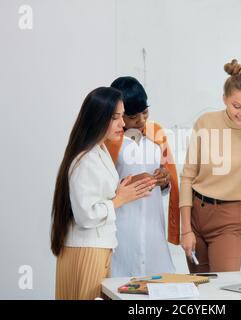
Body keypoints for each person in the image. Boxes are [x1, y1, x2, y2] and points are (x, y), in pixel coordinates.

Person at [51, 87, 156, 299]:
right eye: (115, 117)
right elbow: (86, 215)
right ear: (98, 118)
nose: (123, 123)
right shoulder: (85, 159)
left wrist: (119, 190)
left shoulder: (99, 151)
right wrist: (119, 200)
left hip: (97, 247)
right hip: (87, 250)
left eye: (122, 116)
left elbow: (95, 195)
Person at [179, 59, 241, 279]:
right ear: (225, 99)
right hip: (195, 215)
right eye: (236, 106)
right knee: (199, 288)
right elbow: (187, 177)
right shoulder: (206, 123)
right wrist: (186, 229)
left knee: (223, 289)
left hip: (228, 219)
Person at [106, 76, 180, 277]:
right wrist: (131, 182)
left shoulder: (156, 134)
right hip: (122, 225)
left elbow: (169, 177)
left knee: (158, 282)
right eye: (132, 116)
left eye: (145, 112)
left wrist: (165, 180)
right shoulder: (109, 140)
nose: (141, 120)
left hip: (153, 224)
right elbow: (101, 186)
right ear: (118, 114)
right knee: (119, 283)